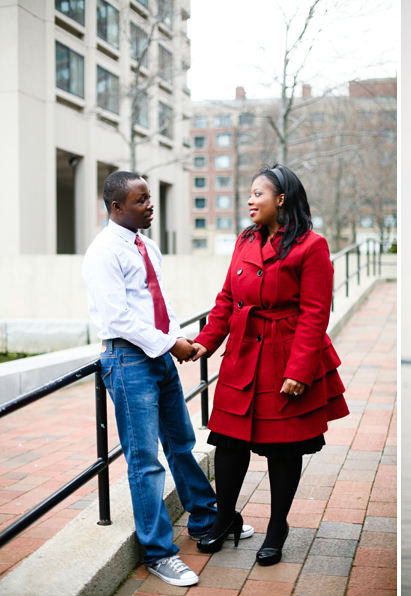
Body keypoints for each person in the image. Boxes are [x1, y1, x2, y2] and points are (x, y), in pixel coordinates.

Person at [83, 171, 238, 587]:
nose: (150, 205)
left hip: (159, 355)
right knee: (145, 461)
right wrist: (171, 345)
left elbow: (157, 304)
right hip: (128, 359)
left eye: (150, 197)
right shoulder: (103, 253)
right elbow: (118, 317)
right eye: (141, 200)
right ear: (116, 208)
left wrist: (173, 341)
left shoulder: (146, 245)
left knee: (182, 443)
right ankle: (158, 552)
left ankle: (206, 521)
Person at [191, 164, 349, 565]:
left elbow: (315, 313)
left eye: (257, 193)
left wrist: (299, 371)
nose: (249, 200)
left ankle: (277, 526)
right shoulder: (245, 240)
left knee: (282, 448)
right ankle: (224, 519)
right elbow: (228, 298)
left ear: (281, 199)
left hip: (284, 354)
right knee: (227, 442)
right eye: (249, 193)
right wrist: (206, 343)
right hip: (243, 353)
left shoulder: (312, 245)